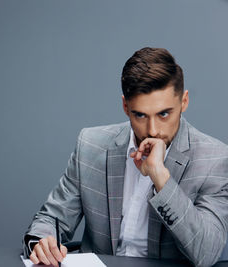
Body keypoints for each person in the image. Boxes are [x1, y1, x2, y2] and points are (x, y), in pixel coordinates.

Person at [23, 47, 228, 267]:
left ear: (184, 102)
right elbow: (52, 218)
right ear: (125, 107)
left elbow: (206, 252)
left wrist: (161, 178)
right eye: (140, 115)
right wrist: (42, 242)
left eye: (164, 114)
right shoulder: (91, 145)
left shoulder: (214, 159)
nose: (152, 130)